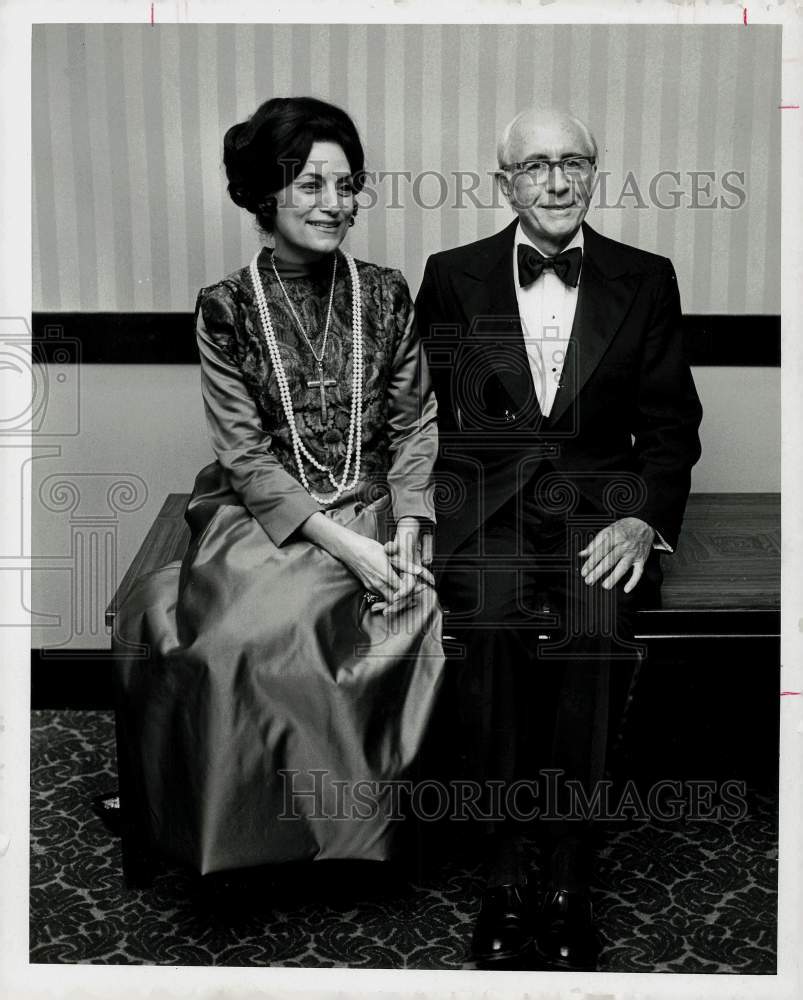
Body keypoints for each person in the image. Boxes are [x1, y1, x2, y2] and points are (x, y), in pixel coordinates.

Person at [113, 97, 444, 878]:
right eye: (310, 185)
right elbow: (246, 456)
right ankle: (244, 837)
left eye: (347, 185)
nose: (336, 204)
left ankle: (340, 841)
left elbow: (415, 423)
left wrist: (407, 524)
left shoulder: (388, 293)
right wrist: (347, 549)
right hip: (266, 514)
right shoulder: (224, 309)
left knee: (391, 620)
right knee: (230, 641)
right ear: (268, 195)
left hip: (373, 502)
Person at [415, 107, 703, 970]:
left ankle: (570, 877)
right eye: (535, 165)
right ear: (504, 182)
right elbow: (421, 420)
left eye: (572, 162)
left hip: (597, 513)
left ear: (593, 173)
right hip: (490, 511)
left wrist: (642, 517)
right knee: (492, 637)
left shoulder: (644, 277)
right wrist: (421, 518)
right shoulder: (452, 274)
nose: (555, 180)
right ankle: (504, 876)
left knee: (593, 637)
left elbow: (670, 425)